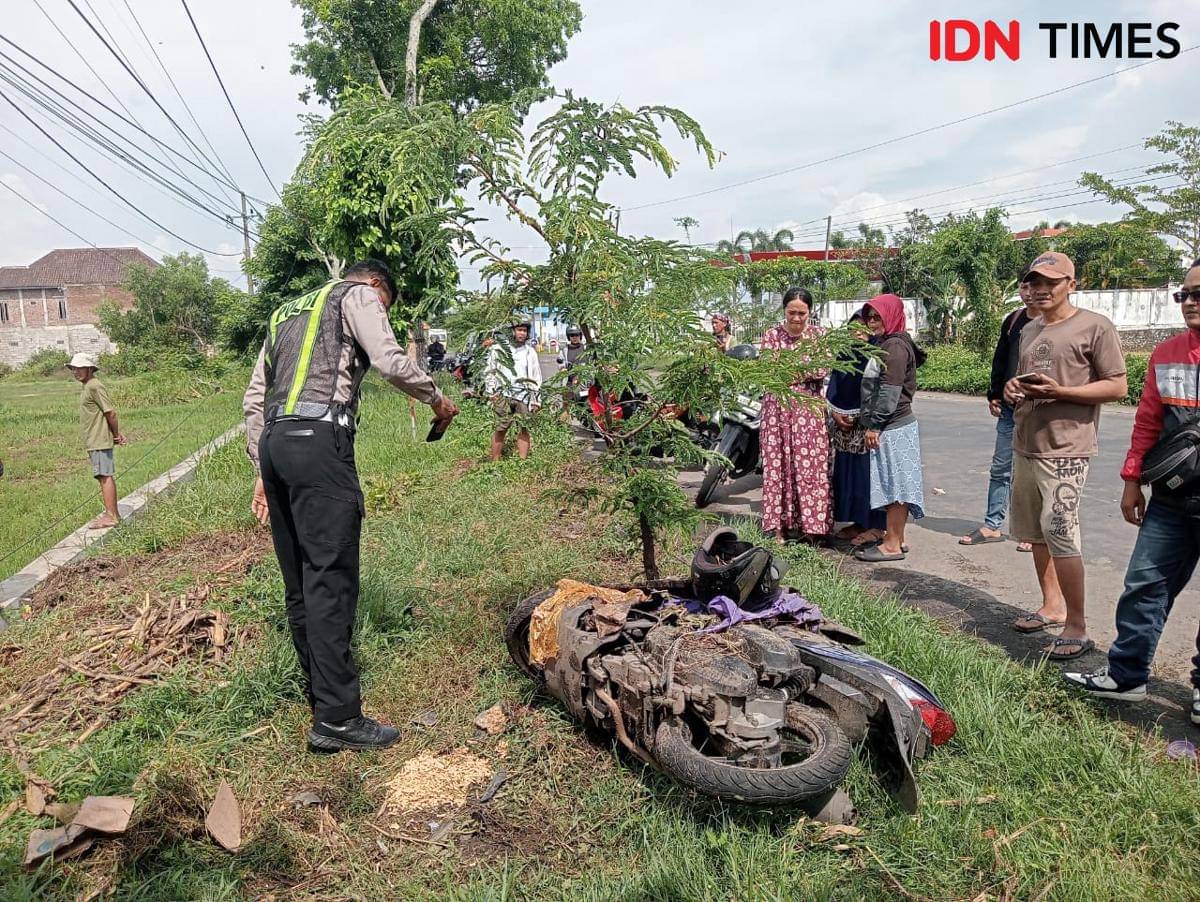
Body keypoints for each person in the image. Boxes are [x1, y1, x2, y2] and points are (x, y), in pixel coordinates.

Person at [243, 259, 459, 752]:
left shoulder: (284, 312)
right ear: (378, 286)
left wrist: (261, 468)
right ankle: (337, 717)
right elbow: (387, 360)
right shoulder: (357, 295)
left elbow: (255, 399)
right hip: (320, 442)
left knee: (300, 579)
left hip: (277, 443)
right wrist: (436, 398)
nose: (379, 313)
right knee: (330, 578)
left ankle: (319, 691)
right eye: (386, 306)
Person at [1064, 262, 1200, 720]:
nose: (1191, 302)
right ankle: (1127, 677)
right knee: (1144, 585)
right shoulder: (1167, 354)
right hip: (1172, 499)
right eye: (1184, 294)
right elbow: (1146, 423)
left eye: (1199, 293)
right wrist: (1131, 482)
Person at [1004, 252, 1127, 660]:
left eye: (1051, 282)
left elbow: (1116, 386)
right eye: (1034, 281)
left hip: (1066, 448)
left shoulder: (1094, 326)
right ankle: (1052, 604)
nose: (1041, 289)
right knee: (1036, 532)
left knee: (1061, 532)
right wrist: (1012, 389)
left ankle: (1077, 624)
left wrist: (1061, 392)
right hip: (1027, 442)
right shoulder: (1028, 329)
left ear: (1071, 284)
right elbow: (1026, 379)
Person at [960, 279, 1038, 551]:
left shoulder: (1056, 324)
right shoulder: (1014, 320)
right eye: (1024, 288)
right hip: (1009, 409)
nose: (1029, 294)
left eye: (1035, 287)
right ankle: (992, 525)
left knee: (1031, 472)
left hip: (1039, 410)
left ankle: (1030, 531)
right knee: (1001, 468)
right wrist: (994, 393)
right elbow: (1001, 358)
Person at [853, 294, 927, 562]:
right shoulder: (887, 343)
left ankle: (892, 544)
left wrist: (874, 426)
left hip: (893, 426)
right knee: (894, 483)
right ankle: (898, 538)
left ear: (891, 315)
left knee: (895, 486)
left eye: (877, 316)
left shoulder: (894, 346)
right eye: (869, 317)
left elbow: (889, 392)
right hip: (893, 426)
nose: (872, 322)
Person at [759, 288, 832, 542]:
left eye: (802, 313)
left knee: (811, 467)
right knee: (776, 467)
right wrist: (803, 370)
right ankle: (777, 527)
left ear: (810, 312)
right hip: (776, 413)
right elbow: (769, 370)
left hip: (809, 415)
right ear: (784, 311)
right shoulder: (771, 336)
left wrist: (790, 371)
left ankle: (812, 528)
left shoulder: (820, 337)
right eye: (792, 312)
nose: (797, 318)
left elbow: (822, 368)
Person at [826, 312, 886, 544]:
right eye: (853, 328)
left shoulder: (877, 354)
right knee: (848, 476)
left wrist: (865, 418)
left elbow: (880, 391)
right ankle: (856, 522)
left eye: (863, 328)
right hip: (845, 430)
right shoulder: (844, 354)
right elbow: (834, 387)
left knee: (868, 477)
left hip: (867, 427)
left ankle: (876, 526)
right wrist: (836, 412)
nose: (858, 333)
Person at [68, 353, 127, 530]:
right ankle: (111, 512)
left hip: (99, 439)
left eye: (79, 368)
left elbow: (110, 412)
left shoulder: (94, 386)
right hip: (94, 439)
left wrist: (116, 434)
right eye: (74, 368)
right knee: (102, 475)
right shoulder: (87, 386)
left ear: (90, 368)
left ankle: (112, 516)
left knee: (104, 476)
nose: (76, 372)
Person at [486, 320, 543, 461]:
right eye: (519, 330)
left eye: (524, 330)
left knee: (523, 428)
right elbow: (490, 371)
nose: (522, 333)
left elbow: (536, 377)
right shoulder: (498, 349)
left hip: (524, 396)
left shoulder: (530, 352)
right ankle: (495, 462)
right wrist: (491, 392)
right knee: (501, 428)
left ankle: (522, 462)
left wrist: (536, 399)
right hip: (503, 395)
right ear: (512, 331)